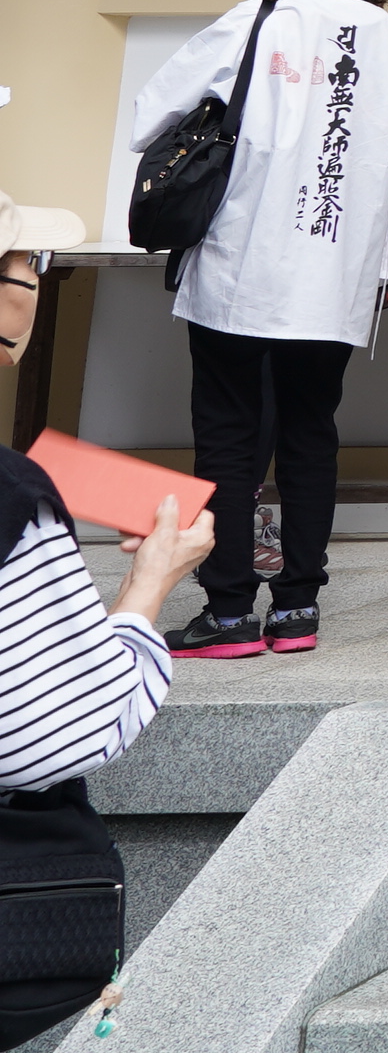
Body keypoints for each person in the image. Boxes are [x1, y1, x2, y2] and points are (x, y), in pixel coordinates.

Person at [121, 0, 388, 660]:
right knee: (310, 433)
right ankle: (297, 607)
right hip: (336, 278)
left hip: (239, 269)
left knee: (228, 438)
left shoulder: (253, 23)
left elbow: (150, 118)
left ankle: (229, 612)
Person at [0, 194, 209, 1053]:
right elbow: (53, 732)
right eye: (33, 265)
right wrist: (149, 586)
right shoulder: (10, 494)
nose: (35, 286)